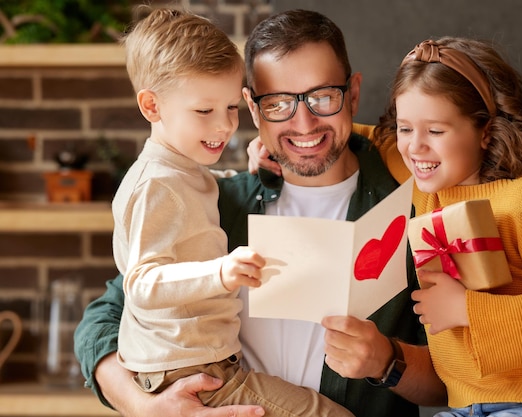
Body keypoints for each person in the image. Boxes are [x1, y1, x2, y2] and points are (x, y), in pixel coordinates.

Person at [74, 9, 447, 417]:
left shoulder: (413, 208)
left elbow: (459, 382)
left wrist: (387, 361)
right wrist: (144, 406)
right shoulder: (219, 202)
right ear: (253, 107)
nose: (303, 123)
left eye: (322, 97)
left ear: (352, 95)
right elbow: (105, 316)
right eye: (279, 103)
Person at [110, 7, 355, 416]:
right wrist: (218, 273)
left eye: (229, 109)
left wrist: (243, 172)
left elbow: (194, 196)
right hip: (190, 371)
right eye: (204, 112)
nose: (224, 126)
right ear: (152, 106)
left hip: (204, 361)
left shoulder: (185, 172)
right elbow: (139, 285)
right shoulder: (155, 184)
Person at [372, 37, 522, 417]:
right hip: (466, 406)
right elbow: (360, 139)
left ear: (484, 131)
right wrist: (272, 146)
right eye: (404, 128)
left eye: (436, 131)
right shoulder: (423, 186)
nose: (415, 147)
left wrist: (466, 308)